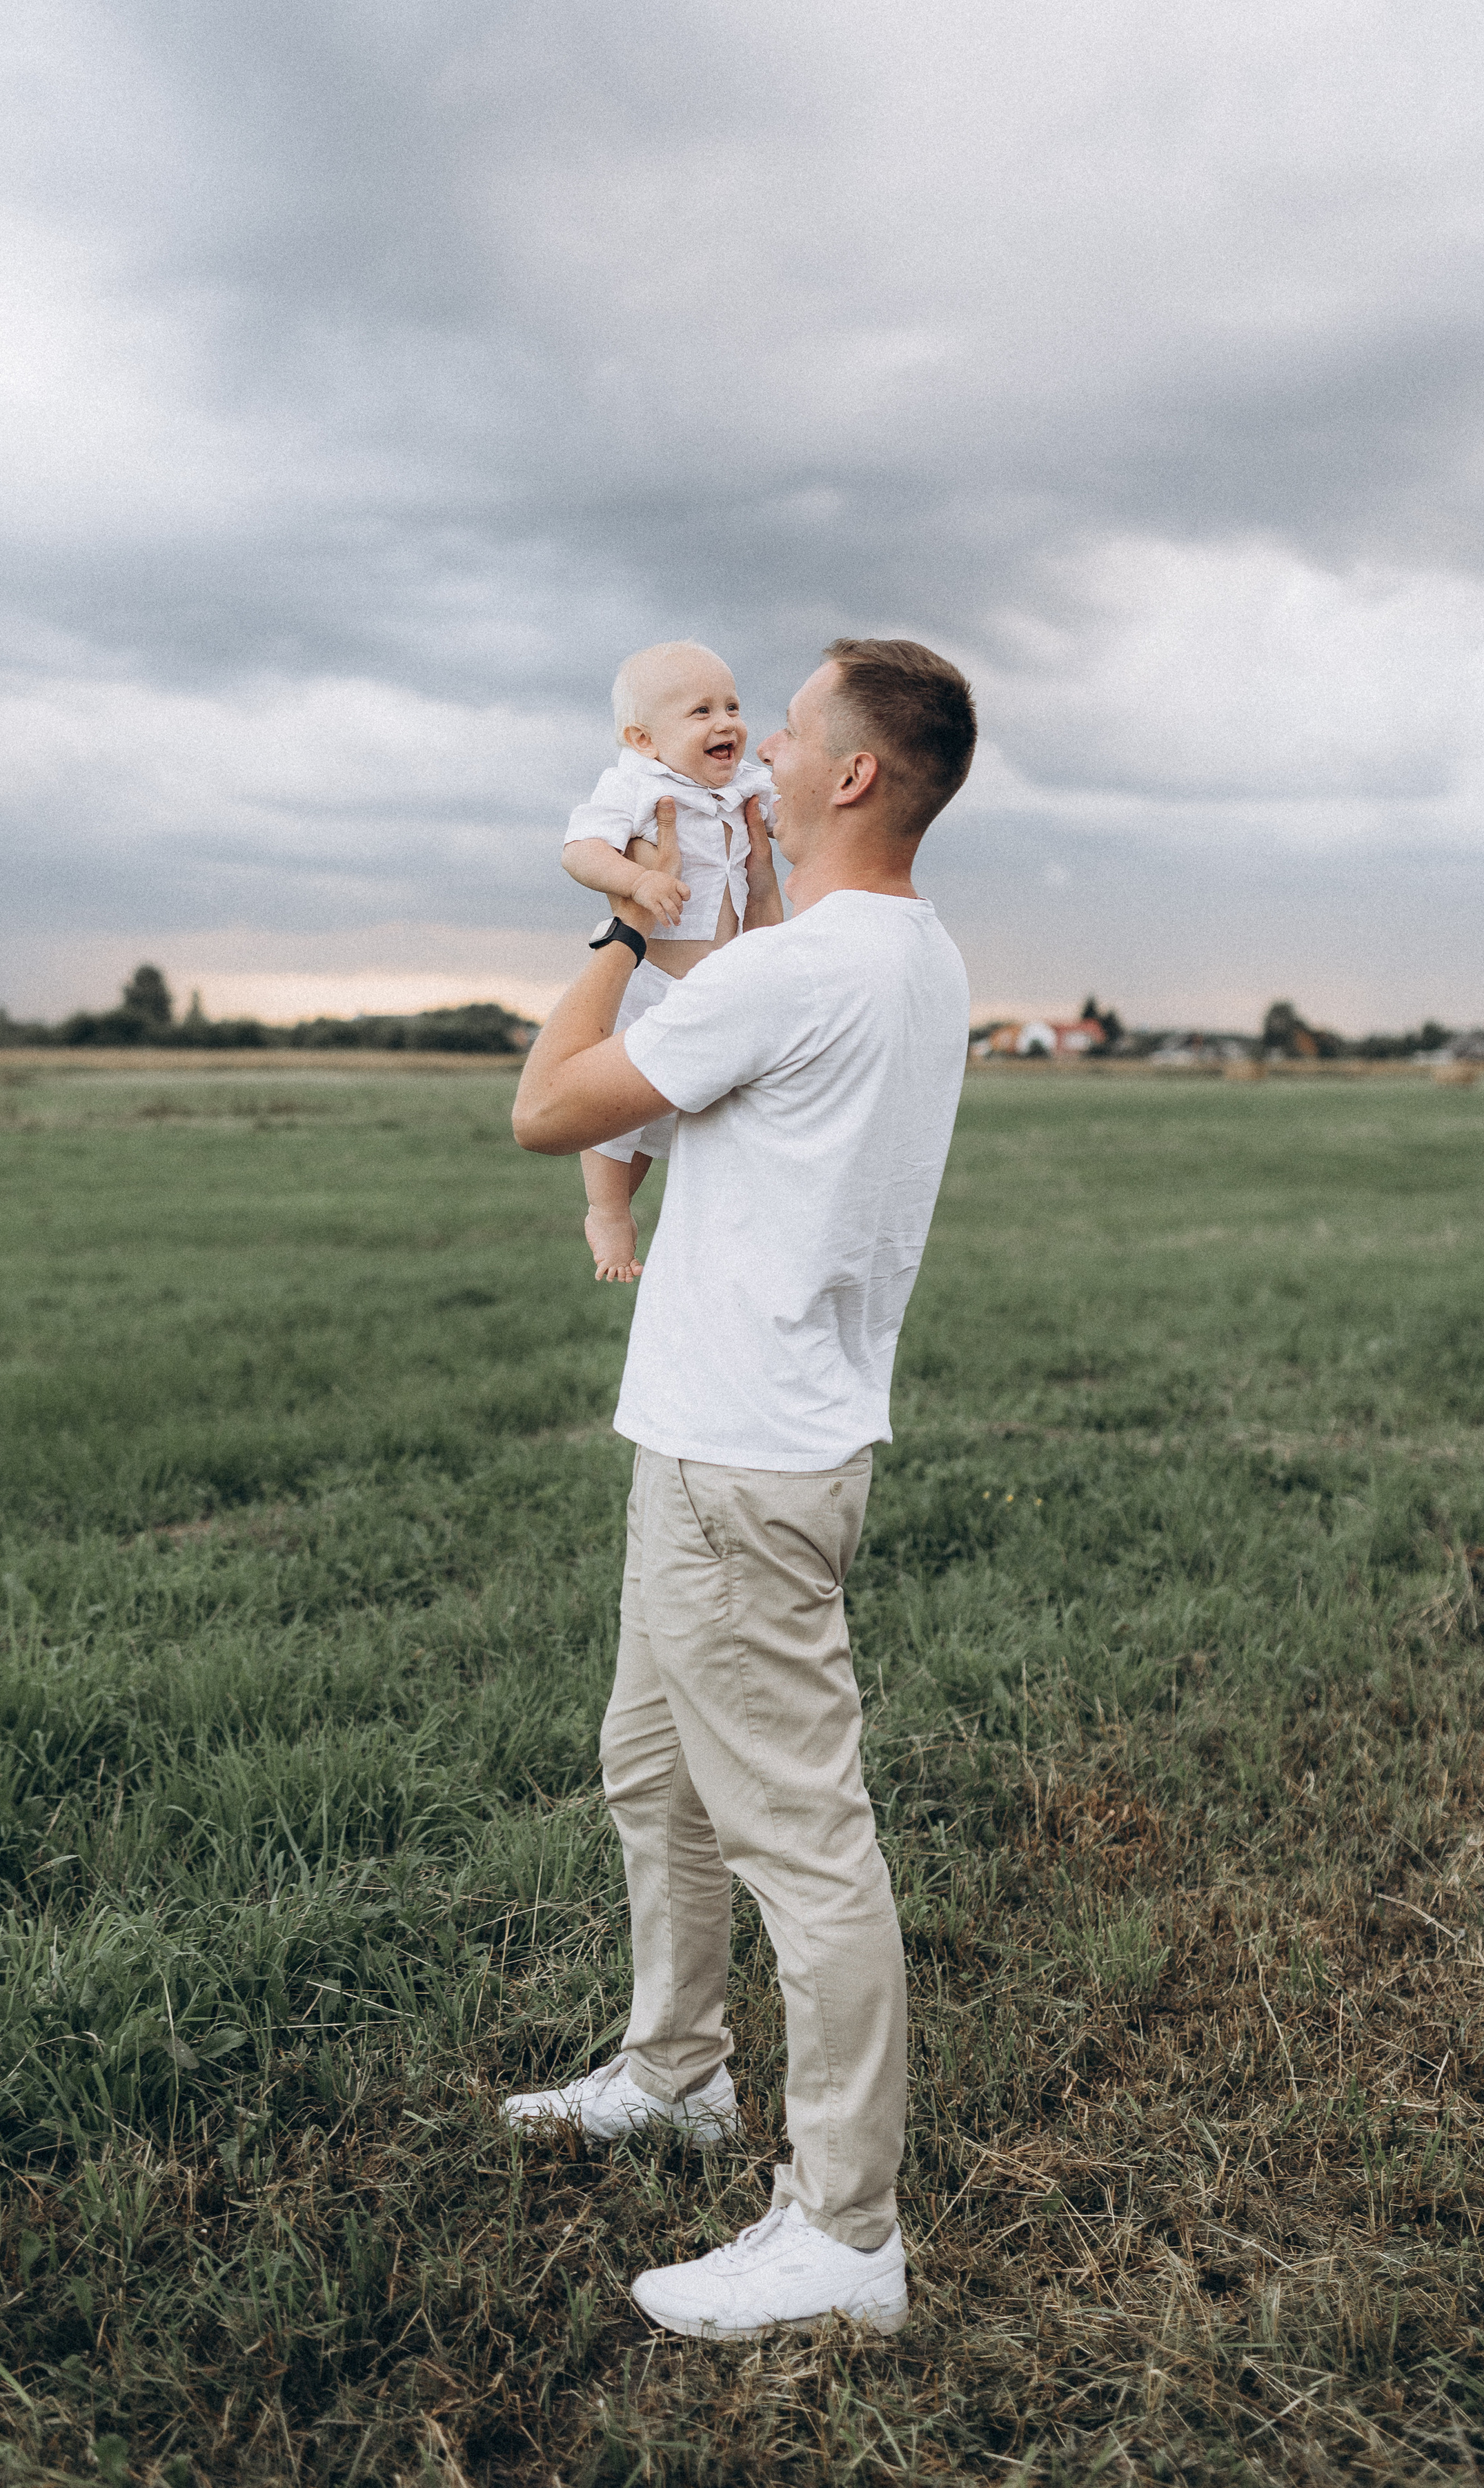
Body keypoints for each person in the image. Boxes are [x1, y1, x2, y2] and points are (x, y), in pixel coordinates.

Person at [506, 636, 977, 2341]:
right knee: (648, 1765)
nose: (754, 747)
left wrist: (625, 928)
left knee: (803, 1841)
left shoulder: (780, 974)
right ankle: (673, 2069)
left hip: (741, 1466)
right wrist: (739, 902)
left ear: (851, 772)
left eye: (783, 729)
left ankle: (844, 2233)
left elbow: (546, 1106)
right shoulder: (906, 956)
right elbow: (772, 994)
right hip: (732, 1437)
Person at [561, 639, 781, 1281]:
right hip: (649, 978)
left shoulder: (745, 785)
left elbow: (790, 814)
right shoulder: (633, 783)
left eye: (733, 705)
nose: (727, 723)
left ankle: (709, 1233)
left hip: (720, 982)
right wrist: (636, 883)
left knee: (679, 1111)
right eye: (701, 711)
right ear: (644, 739)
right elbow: (580, 849)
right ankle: (607, 1210)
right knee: (616, 1113)